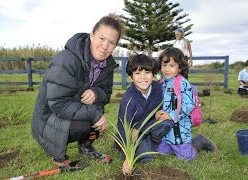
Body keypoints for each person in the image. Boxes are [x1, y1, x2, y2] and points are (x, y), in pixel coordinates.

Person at [31, 14, 123, 167]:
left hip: (71, 110)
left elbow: (106, 94)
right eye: (101, 38)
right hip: (47, 120)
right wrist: (94, 114)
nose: (105, 46)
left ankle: (86, 148)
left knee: (98, 105)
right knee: (87, 121)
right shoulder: (67, 59)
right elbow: (58, 104)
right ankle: (57, 153)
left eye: (111, 42)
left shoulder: (107, 65)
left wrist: (95, 92)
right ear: (91, 35)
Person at [155, 47, 217, 161]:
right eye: (164, 65)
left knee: (186, 157)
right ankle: (170, 146)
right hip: (165, 129)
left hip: (180, 128)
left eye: (172, 66)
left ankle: (199, 141)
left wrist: (171, 115)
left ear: (179, 68)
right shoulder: (162, 83)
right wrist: (158, 112)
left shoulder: (182, 83)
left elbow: (189, 105)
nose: (167, 69)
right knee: (161, 153)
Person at [117, 54, 174, 175]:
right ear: (131, 77)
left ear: (153, 74)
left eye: (147, 72)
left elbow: (163, 108)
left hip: (147, 126)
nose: (143, 77)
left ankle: (152, 142)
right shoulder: (128, 98)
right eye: (137, 73)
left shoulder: (158, 88)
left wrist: (161, 113)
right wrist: (127, 156)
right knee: (146, 159)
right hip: (133, 134)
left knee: (167, 122)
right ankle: (145, 145)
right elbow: (123, 126)